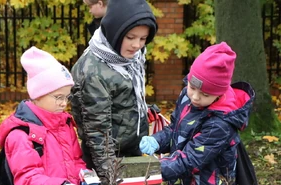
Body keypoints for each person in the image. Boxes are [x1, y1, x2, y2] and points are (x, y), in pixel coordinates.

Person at [139, 42, 255, 185]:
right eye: (192, 87)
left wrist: (153, 169)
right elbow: (175, 129)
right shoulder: (186, 98)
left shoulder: (220, 124)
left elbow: (191, 159)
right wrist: (157, 141)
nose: (195, 97)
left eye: (205, 95)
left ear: (219, 94)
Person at [70, 0, 158, 184]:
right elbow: (98, 134)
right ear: (115, 31)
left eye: (143, 39)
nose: (137, 45)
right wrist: (111, 178)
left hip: (130, 150)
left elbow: (122, 97)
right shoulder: (93, 71)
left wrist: (141, 110)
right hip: (107, 162)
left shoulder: (128, 59)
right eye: (131, 37)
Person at [0, 46, 87, 185]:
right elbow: (27, 178)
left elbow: (76, 160)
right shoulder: (21, 134)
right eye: (58, 97)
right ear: (38, 95)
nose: (64, 103)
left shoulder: (65, 124)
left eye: (67, 97)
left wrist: (85, 176)